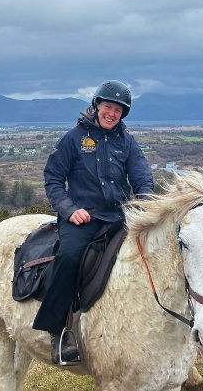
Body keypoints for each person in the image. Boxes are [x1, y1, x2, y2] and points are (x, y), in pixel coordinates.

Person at [32, 80, 155, 366]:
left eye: (118, 110)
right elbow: (53, 179)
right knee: (68, 257)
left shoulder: (128, 141)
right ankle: (59, 332)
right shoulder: (74, 138)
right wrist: (69, 209)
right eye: (108, 106)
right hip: (82, 218)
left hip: (120, 216)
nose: (112, 113)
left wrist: (148, 205)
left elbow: (142, 178)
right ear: (97, 105)